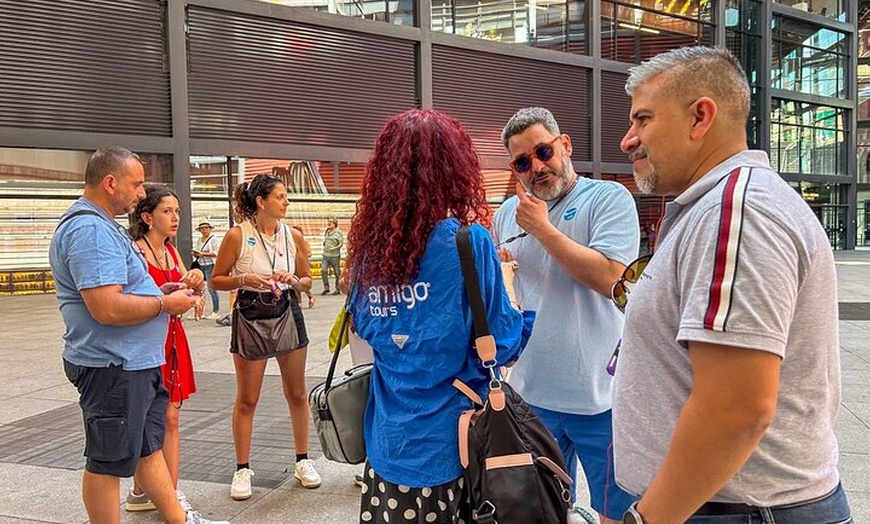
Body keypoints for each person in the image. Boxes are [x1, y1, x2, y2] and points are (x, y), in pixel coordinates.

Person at [613, 46, 851, 524]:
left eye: (643, 119)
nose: (627, 140)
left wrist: (648, 518)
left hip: (738, 511)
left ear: (700, 116)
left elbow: (736, 409)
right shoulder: (715, 206)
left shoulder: (737, 213)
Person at [346, 109, 533, 524]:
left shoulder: (368, 251)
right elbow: (501, 343)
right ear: (454, 169)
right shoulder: (468, 243)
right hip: (452, 444)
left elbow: (362, 324)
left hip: (387, 444)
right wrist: (514, 298)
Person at [48, 146, 228, 524]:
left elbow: (119, 293)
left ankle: (179, 520)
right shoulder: (90, 230)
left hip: (132, 363)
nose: (142, 193)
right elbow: (107, 307)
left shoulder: (100, 225)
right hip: (114, 366)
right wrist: (164, 306)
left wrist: (159, 293)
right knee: (107, 462)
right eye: (137, 183)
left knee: (148, 450)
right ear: (110, 183)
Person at [492, 107, 639, 524]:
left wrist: (543, 229)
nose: (537, 167)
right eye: (523, 162)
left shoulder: (607, 198)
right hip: (533, 396)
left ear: (565, 145)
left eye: (543, 152)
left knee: (618, 513)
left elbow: (614, 278)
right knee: (543, 510)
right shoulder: (506, 215)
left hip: (601, 397)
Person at [210, 174, 321, 500]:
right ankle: (242, 468)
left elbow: (307, 281)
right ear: (261, 201)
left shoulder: (293, 236)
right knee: (248, 398)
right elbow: (217, 279)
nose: (286, 202)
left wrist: (294, 280)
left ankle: (303, 461)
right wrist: (244, 278)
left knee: (297, 393)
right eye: (280, 197)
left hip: (286, 310)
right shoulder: (237, 236)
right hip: (251, 314)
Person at [125, 185, 206, 513]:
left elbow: (185, 288)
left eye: (177, 211)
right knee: (151, 416)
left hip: (173, 338)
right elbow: (136, 297)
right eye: (167, 211)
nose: (175, 218)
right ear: (147, 217)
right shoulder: (135, 251)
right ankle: (155, 493)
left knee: (169, 417)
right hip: (149, 342)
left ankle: (160, 491)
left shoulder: (171, 252)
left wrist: (197, 285)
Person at [193, 221, 222, 319]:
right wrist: (196, 254)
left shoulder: (213, 239)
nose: (205, 230)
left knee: (211, 288)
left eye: (207, 228)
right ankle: (200, 311)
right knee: (199, 288)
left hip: (210, 264)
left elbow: (216, 252)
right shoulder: (199, 240)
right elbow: (197, 250)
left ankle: (216, 310)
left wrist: (203, 254)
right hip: (201, 264)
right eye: (203, 229)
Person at [291, 224, 316, 308]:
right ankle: (299, 301)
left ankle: (310, 297)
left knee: (301, 283)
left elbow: (309, 253)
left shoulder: (304, 241)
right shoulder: (291, 241)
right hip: (294, 265)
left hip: (301, 265)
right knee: (295, 284)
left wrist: (302, 257)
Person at [320, 217, 343, 295]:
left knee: (337, 272)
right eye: (328, 222)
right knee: (323, 270)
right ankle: (326, 288)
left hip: (335, 256)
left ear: (335, 223)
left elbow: (341, 243)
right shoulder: (327, 231)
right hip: (325, 255)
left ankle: (337, 288)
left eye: (330, 222)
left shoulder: (338, 232)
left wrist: (335, 248)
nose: (329, 223)